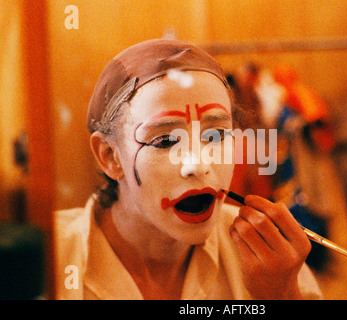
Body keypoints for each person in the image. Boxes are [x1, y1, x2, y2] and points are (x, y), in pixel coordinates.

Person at [54, 39, 322, 300]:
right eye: (165, 141)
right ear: (110, 156)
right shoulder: (51, 259)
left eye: (216, 135)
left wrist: (282, 296)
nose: (199, 164)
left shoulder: (270, 264)